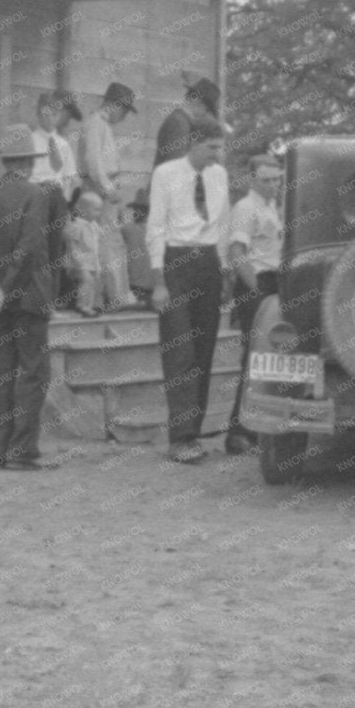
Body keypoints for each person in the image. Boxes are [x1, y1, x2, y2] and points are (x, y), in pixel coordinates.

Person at [0, 124, 68, 472]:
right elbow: (31, 247)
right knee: (33, 372)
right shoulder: (36, 195)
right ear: (29, 162)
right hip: (29, 296)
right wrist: (5, 284)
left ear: (4, 162)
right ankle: (22, 451)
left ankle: (0, 451)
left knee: (2, 372)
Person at [146, 113, 230, 463]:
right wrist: (159, 282)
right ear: (193, 142)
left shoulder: (220, 175)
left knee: (203, 351)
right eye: (211, 148)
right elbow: (155, 228)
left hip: (208, 265)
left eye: (220, 148)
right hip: (176, 264)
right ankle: (179, 439)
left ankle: (193, 433)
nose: (217, 155)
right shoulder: (166, 174)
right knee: (179, 351)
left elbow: (223, 225)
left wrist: (223, 274)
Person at [221, 154, 285, 455]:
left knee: (268, 358)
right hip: (256, 285)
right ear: (252, 179)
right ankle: (238, 432)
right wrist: (257, 292)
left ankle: (257, 428)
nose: (273, 185)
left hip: (275, 283)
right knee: (254, 357)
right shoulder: (245, 208)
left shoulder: (272, 206)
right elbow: (237, 253)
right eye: (266, 180)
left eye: (277, 180)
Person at [80, 81, 137, 307]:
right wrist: (107, 189)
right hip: (99, 190)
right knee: (108, 242)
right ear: (114, 105)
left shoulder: (104, 126)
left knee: (110, 241)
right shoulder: (96, 124)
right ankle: (117, 296)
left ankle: (112, 295)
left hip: (106, 188)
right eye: (124, 110)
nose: (123, 117)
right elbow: (93, 163)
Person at [155, 74, 220, 166]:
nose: (205, 115)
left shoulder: (180, 120)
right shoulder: (179, 123)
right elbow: (177, 164)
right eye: (207, 110)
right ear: (198, 102)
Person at [29, 92, 81, 198]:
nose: (50, 119)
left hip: (59, 195)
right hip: (37, 194)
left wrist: (65, 198)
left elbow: (69, 174)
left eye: (54, 115)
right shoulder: (31, 141)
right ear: (38, 115)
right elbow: (28, 174)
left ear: (59, 117)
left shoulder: (63, 144)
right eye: (46, 114)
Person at [64, 187, 106, 317]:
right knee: (86, 281)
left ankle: (90, 305)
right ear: (82, 209)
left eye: (100, 210)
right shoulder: (77, 225)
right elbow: (71, 243)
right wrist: (76, 260)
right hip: (79, 262)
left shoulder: (94, 225)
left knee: (92, 283)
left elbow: (97, 243)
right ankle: (82, 306)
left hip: (92, 262)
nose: (98, 213)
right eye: (95, 210)